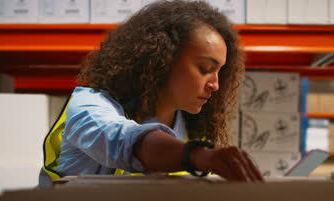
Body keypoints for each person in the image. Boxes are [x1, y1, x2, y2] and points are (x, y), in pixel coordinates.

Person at [39, 0, 263, 187]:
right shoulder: (88, 107)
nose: (215, 84)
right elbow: (124, 140)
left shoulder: (188, 127)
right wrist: (198, 156)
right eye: (205, 68)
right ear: (162, 61)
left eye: (219, 72)